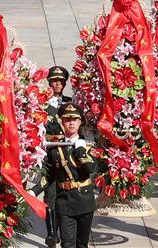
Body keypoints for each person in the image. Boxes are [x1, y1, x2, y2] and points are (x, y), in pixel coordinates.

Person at [43, 103, 96, 248]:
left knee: (82, 244)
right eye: (67, 119)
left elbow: (90, 169)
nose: (71, 123)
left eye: (74, 119)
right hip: (65, 202)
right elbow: (48, 176)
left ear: (80, 122)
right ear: (62, 122)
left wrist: (81, 151)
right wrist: (32, 191)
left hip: (85, 200)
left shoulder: (88, 145)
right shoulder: (55, 148)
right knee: (67, 244)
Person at [42, 66, 72, 247]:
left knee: (67, 193)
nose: (58, 84)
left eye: (61, 81)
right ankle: (51, 233)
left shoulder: (70, 102)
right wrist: (51, 109)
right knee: (50, 194)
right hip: (50, 156)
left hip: (68, 156)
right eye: (54, 80)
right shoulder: (43, 103)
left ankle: (65, 229)